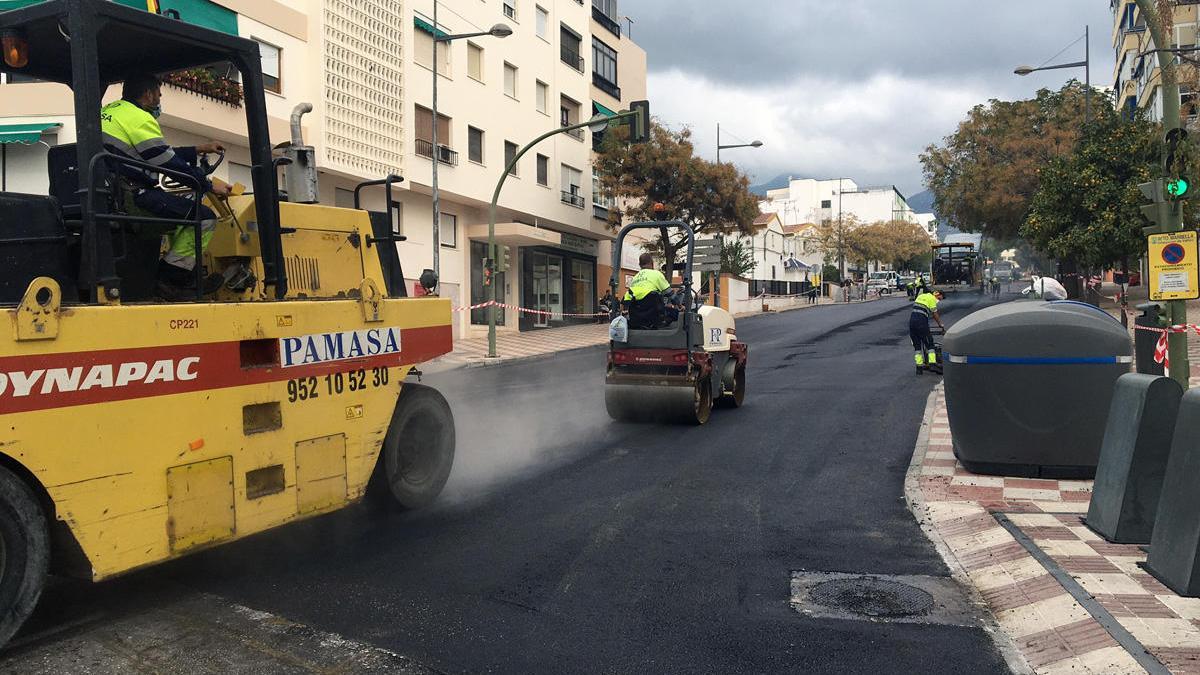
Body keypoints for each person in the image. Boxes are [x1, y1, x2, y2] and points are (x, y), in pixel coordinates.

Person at [101, 74, 233, 298]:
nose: (160, 98)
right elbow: (169, 163)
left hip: (110, 191)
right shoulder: (140, 119)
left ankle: (174, 271)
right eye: (159, 94)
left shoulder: (110, 111)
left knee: (182, 209)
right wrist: (208, 186)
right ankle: (171, 280)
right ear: (148, 94)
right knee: (205, 217)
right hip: (131, 196)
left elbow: (155, 154)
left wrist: (199, 149)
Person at [623, 252, 670, 328]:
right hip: (655, 318)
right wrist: (680, 305)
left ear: (640, 265)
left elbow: (626, 301)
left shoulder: (634, 278)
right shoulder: (657, 274)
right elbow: (670, 293)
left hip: (637, 319)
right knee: (674, 313)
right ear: (652, 263)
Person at [910, 289, 946, 372]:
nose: (939, 300)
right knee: (930, 344)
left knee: (917, 346)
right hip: (921, 323)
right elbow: (935, 313)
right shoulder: (932, 299)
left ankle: (919, 367)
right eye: (940, 298)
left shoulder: (921, 296)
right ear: (937, 294)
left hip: (912, 323)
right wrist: (940, 324)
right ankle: (932, 364)